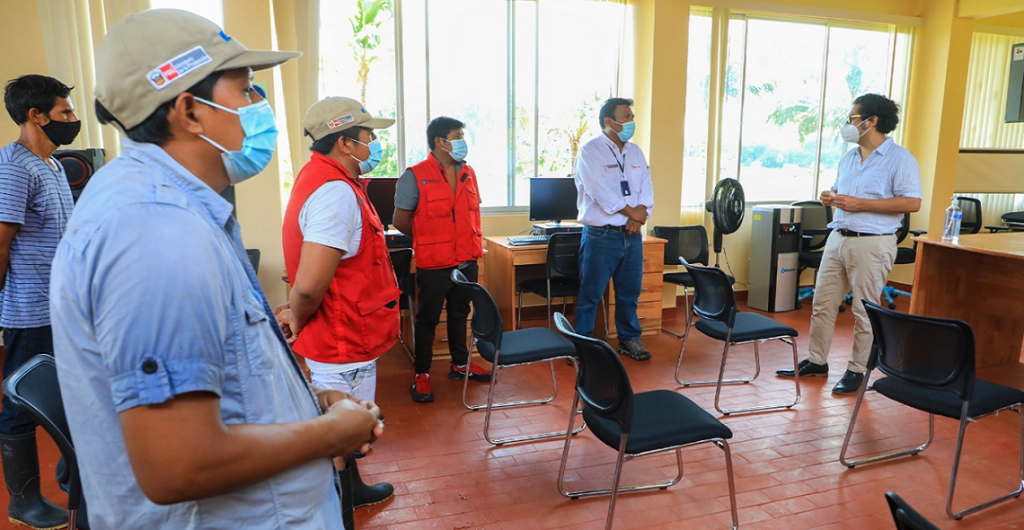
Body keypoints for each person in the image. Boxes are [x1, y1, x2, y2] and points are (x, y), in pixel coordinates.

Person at [49, 10, 382, 529]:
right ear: (189, 111)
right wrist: (331, 434)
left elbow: (224, 375)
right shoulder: (153, 232)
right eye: (246, 91)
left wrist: (308, 403)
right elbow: (177, 464)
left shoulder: (176, 208)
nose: (259, 106)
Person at [281, 96, 401, 508]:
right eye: (368, 136)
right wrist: (298, 316)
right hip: (342, 334)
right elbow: (310, 286)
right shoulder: (334, 192)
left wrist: (294, 311)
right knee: (344, 428)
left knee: (345, 428)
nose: (374, 145)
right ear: (345, 142)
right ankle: (339, 505)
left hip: (343, 328)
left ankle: (350, 489)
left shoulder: (324, 178)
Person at [776, 93, 921, 395]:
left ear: (872, 121)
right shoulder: (849, 157)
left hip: (872, 243)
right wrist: (829, 196)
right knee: (822, 304)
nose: (847, 124)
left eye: (852, 118)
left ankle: (857, 369)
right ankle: (816, 361)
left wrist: (861, 204)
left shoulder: (900, 158)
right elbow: (840, 192)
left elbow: (912, 202)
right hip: (838, 238)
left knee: (864, 310)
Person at [0, 74, 77, 530]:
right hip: (30, 310)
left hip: (61, 307)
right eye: (65, 112)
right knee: (22, 403)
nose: (73, 119)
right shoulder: (14, 167)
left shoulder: (51, 165)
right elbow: (1, 242)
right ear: (36, 115)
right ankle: (23, 502)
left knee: (70, 392)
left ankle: (73, 478)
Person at [393, 117, 489, 403]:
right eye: (457, 136)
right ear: (440, 141)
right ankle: (421, 373)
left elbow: (470, 213)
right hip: (434, 263)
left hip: (467, 260)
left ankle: (460, 364)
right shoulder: (414, 175)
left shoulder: (468, 172)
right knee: (428, 319)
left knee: (460, 314)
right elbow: (401, 220)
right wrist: (429, 237)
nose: (462, 141)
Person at [572, 97, 654, 361]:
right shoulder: (591, 151)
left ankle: (629, 339)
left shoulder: (636, 152)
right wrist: (632, 212)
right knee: (591, 294)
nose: (631, 121)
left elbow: (646, 189)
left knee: (629, 293)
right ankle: (583, 346)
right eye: (626, 116)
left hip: (632, 235)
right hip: (602, 236)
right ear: (609, 121)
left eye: (632, 116)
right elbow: (599, 192)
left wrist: (640, 217)